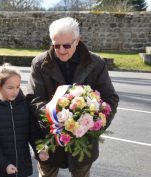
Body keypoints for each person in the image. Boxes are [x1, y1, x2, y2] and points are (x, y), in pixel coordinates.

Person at [25, 17, 119, 177]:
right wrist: (58, 120)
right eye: (56, 45)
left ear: (78, 40)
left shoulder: (96, 63)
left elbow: (110, 99)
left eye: (67, 45)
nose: (61, 50)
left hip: (84, 141)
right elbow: (34, 99)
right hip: (49, 138)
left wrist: (93, 125)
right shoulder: (39, 64)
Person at [0, 63, 48, 177]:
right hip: (0, 170)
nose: (15, 91)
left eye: (18, 87)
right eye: (10, 87)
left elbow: (34, 133)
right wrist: (5, 165)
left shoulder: (25, 106)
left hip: (23, 168)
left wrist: (40, 150)